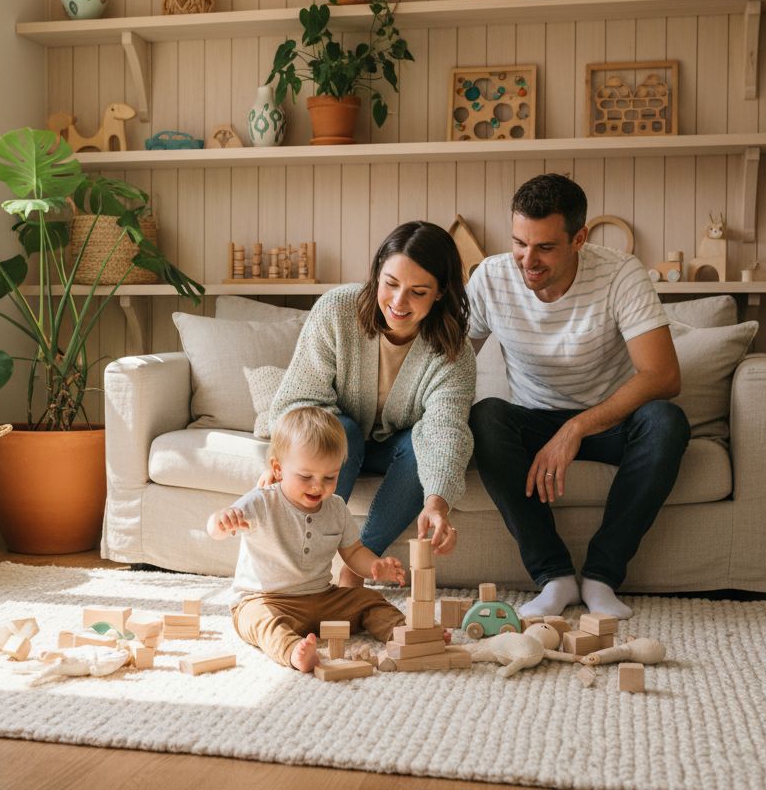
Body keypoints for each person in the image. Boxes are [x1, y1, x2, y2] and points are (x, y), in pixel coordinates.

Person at [466, 173, 689, 619]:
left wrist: (577, 427)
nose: (528, 260)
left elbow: (663, 376)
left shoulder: (620, 273)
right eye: (519, 243)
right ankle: (555, 578)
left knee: (667, 421)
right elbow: (450, 363)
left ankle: (601, 578)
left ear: (579, 238)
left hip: (611, 422)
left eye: (545, 247)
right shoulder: (492, 277)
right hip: (532, 419)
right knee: (485, 415)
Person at [265, 221, 476, 585]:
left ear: (440, 292)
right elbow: (300, 399)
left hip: (399, 447)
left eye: (418, 291)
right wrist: (286, 457)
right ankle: (300, 561)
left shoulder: (454, 350)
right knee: (341, 429)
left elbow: (447, 429)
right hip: (343, 438)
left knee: (418, 445)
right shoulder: (336, 310)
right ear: (377, 273)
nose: (398, 302)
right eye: (391, 284)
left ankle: (357, 567)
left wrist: (438, 503)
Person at [209, 406, 407, 672]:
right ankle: (293, 651)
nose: (318, 486)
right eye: (306, 476)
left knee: (368, 600)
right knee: (259, 621)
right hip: (267, 599)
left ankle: (407, 634)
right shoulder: (262, 501)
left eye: (330, 477)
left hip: (322, 597)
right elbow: (215, 529)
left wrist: (374, 566)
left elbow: (354, 552)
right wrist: (222, 521)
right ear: (278, 469)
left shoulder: (336, 507)